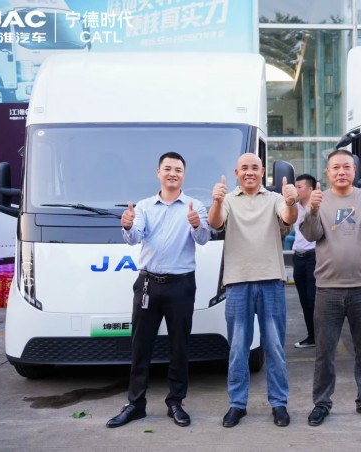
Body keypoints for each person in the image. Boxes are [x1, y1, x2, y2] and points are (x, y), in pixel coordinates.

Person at [107, 152, 210, 428]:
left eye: (178, 169)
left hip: (181, 285)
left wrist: (196, 224)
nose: (173, 173)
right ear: (158, 172)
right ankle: (135, 404)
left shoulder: (195, 206)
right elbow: (134, 238)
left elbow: (203, 239)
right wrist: (127, 226)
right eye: (168, 168)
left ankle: (175, 402)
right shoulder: (143, 206)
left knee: (179, 346)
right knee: (141, 346)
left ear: (184, 175)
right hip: (147, 285)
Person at [300, 149, 361, 427]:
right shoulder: (319, 199)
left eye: (347, 167)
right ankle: (321, 403)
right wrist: (312, 210)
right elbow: (310, 234)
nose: (341, 171)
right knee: (324, 352)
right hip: (328, 289)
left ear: (354, 171)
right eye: (336, 167)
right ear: (327, 172)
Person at [207, 153, 298, 428]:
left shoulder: (274, 198)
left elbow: (288, 216)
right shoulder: (227, 200)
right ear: (236, 173)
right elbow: (215, 223)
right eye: (244, 168)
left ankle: (279, 403)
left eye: (255, 168)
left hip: (271, 280)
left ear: (262, 172)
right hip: (238, 282)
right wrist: (216, 201)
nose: (249, 172)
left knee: (275, 347)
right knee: (238, 348)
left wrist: (291, 202)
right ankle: (237, 404)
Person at [292, 174, 317, 349]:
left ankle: (321, 336)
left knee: (313, 298)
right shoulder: (294, 207)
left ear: (310, 189)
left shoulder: (319, 206)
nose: (296, 190)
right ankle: (311, 336)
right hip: (298, 257)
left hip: (314, 257)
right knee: (304, 300)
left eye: (299, 187)